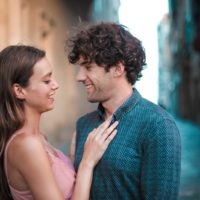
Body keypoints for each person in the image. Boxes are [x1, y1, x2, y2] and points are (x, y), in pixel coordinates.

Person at [67, 22, 181, 199]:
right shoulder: (83, 124)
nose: (79, 77)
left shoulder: (158, 126)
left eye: (88, 67)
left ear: (118, 69)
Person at [0, 45, 118, 200]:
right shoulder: (27, 144)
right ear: (20, 91)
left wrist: (71, 160)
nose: (55, 85)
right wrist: (86, 163)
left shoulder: (39, 138)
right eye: (47, 80)